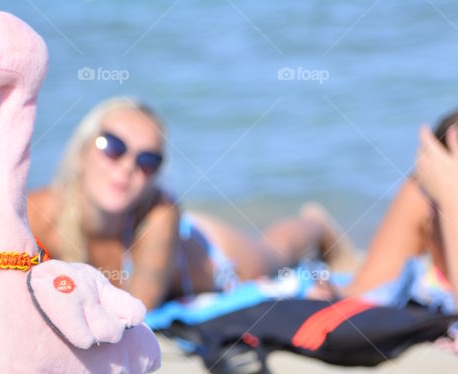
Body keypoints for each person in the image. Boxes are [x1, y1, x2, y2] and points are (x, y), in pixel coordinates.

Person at [27, 97, 348, 311]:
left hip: (219, 259)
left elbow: (139, 306)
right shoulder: (38, 210)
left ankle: (316, 226)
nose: (126, 166)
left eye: (147, 160)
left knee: (273, 253)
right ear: (83, 150)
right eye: (113, 147)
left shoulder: (160, 213)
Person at [342, 109, 458, 312]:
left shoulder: (445, 194)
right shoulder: (423, 196)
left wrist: (451, 198)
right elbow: (365, 289)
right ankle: (321, 232)